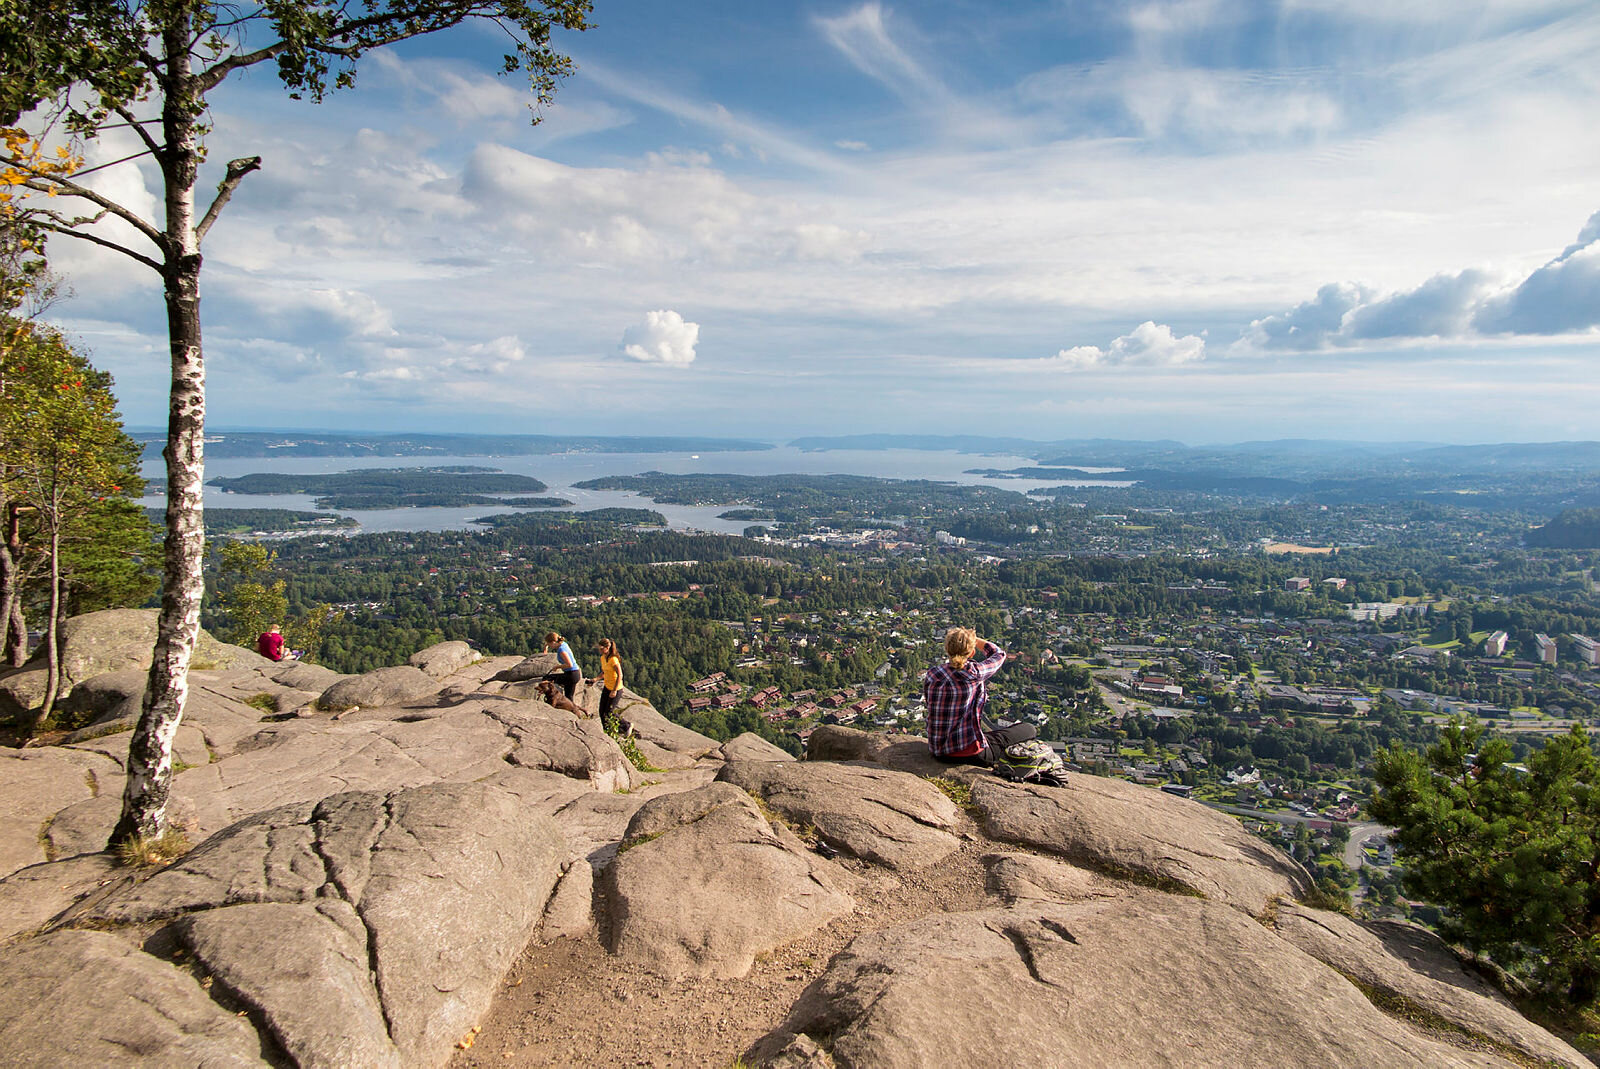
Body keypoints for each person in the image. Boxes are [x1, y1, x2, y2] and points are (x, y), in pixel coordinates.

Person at [923, 627, 1007, 766]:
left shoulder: (933, 674)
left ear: (947, 649)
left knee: (992, 737)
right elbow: (998, 654)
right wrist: (975, 640)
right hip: (968, 753)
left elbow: (929, 702)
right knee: (1028, 730)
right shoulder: (974, 673)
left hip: (938, 751)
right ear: (972, 652)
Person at [543, 631, 582, 702]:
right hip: (575, 673)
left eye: (549, 644)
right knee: (569, 697)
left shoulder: (561, 650)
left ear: (553, 642)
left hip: (571, 675)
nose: (550, 646)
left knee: (547, 678)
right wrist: (546, 647)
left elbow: (569, 664)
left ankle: (551, 698)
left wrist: (557, 667)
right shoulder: (563, 644)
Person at [596, 638, 623, 728]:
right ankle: (606, 730)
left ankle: (626, 725)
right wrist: (595, 679)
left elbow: (620, 675)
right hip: (607, 687)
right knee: (601, 711)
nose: (600, 650)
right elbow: (604, 672)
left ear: (607, 647)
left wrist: (614, 691)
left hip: (616, 688)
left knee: (609, 712)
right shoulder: (603, 658)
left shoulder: (613, 660)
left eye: (601, 648)